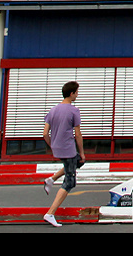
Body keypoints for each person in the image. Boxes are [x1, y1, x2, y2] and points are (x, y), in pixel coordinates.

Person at [42, 81, 84, 227]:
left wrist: (52, 145)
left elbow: (45, 133)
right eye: (77, 92)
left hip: (58, 148)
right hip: (68, 148)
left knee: (75, 163)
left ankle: (51, 179)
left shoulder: (53, 110)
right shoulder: (74, 111)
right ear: (72, 94)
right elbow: (78, 135)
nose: (77, 95)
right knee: (70, 181)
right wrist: (83, 152)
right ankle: (50, 213)